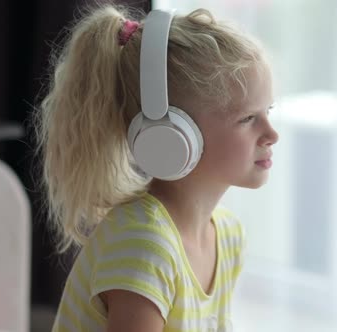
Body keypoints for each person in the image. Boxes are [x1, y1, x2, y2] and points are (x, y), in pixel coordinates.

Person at [35, 4, 278, 331]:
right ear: (173, 135)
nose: (271, 134)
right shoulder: (143, 242)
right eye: (248, 119)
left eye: (269, 111)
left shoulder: (229, 236)